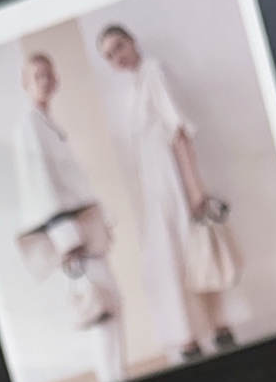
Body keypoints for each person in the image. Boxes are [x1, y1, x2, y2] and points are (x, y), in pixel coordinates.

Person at [97, 24, 236, 363]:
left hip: (175, 179)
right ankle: (192, 334)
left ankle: (219, 328)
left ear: (133, 41)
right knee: (171, 259)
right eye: (109, 55)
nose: (117, 57)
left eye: (119, 46)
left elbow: (179, 131)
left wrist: (194, 187)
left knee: (195, 251)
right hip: (156, 185)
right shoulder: (132, 90)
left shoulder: (154, 71)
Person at [11, 50, 126, 382]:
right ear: (26, 84)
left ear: (57, 79)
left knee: (109, 302)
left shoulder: (46, 123)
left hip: (82, 228)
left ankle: (116, 381)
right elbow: (40, 186)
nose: (44, 81)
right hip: (71, 235)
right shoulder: (29, 126)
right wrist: (67, 242)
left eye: (48, 74)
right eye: (37, 77)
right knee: (99, 307)